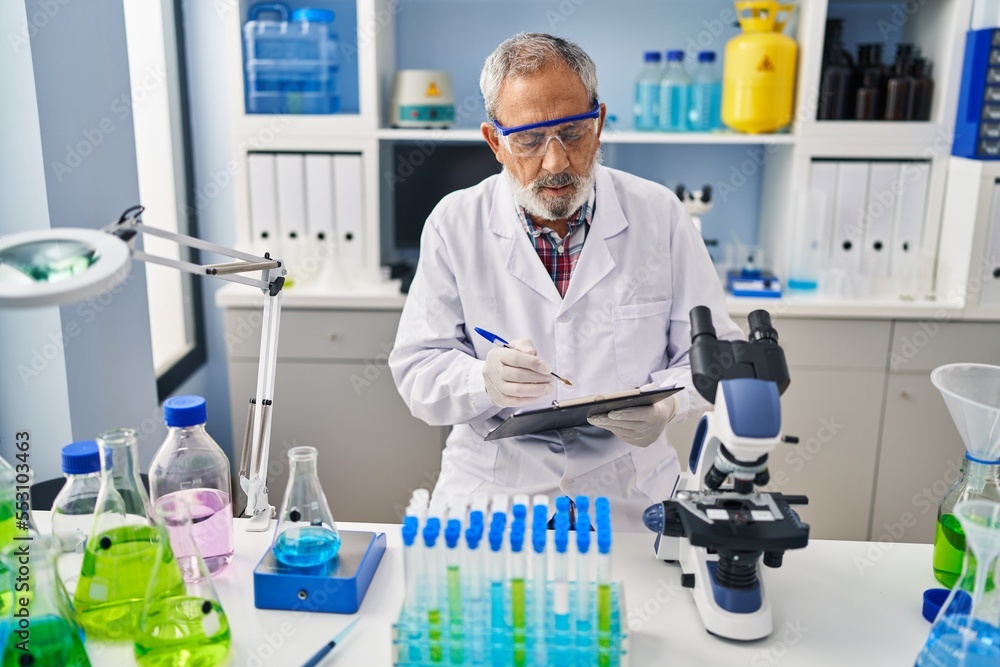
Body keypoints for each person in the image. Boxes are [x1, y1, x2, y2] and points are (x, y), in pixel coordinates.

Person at [388, 33, 743, 531]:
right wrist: (481, 380)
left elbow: (719, 356)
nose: (555, 163)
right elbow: (416, 370)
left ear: (598, 125)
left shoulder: (659, 214)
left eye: (572, 133)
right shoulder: (455, 223)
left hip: (628, 493)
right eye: (530, 140)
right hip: (494, 495)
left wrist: (669, 403)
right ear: (496, 142)